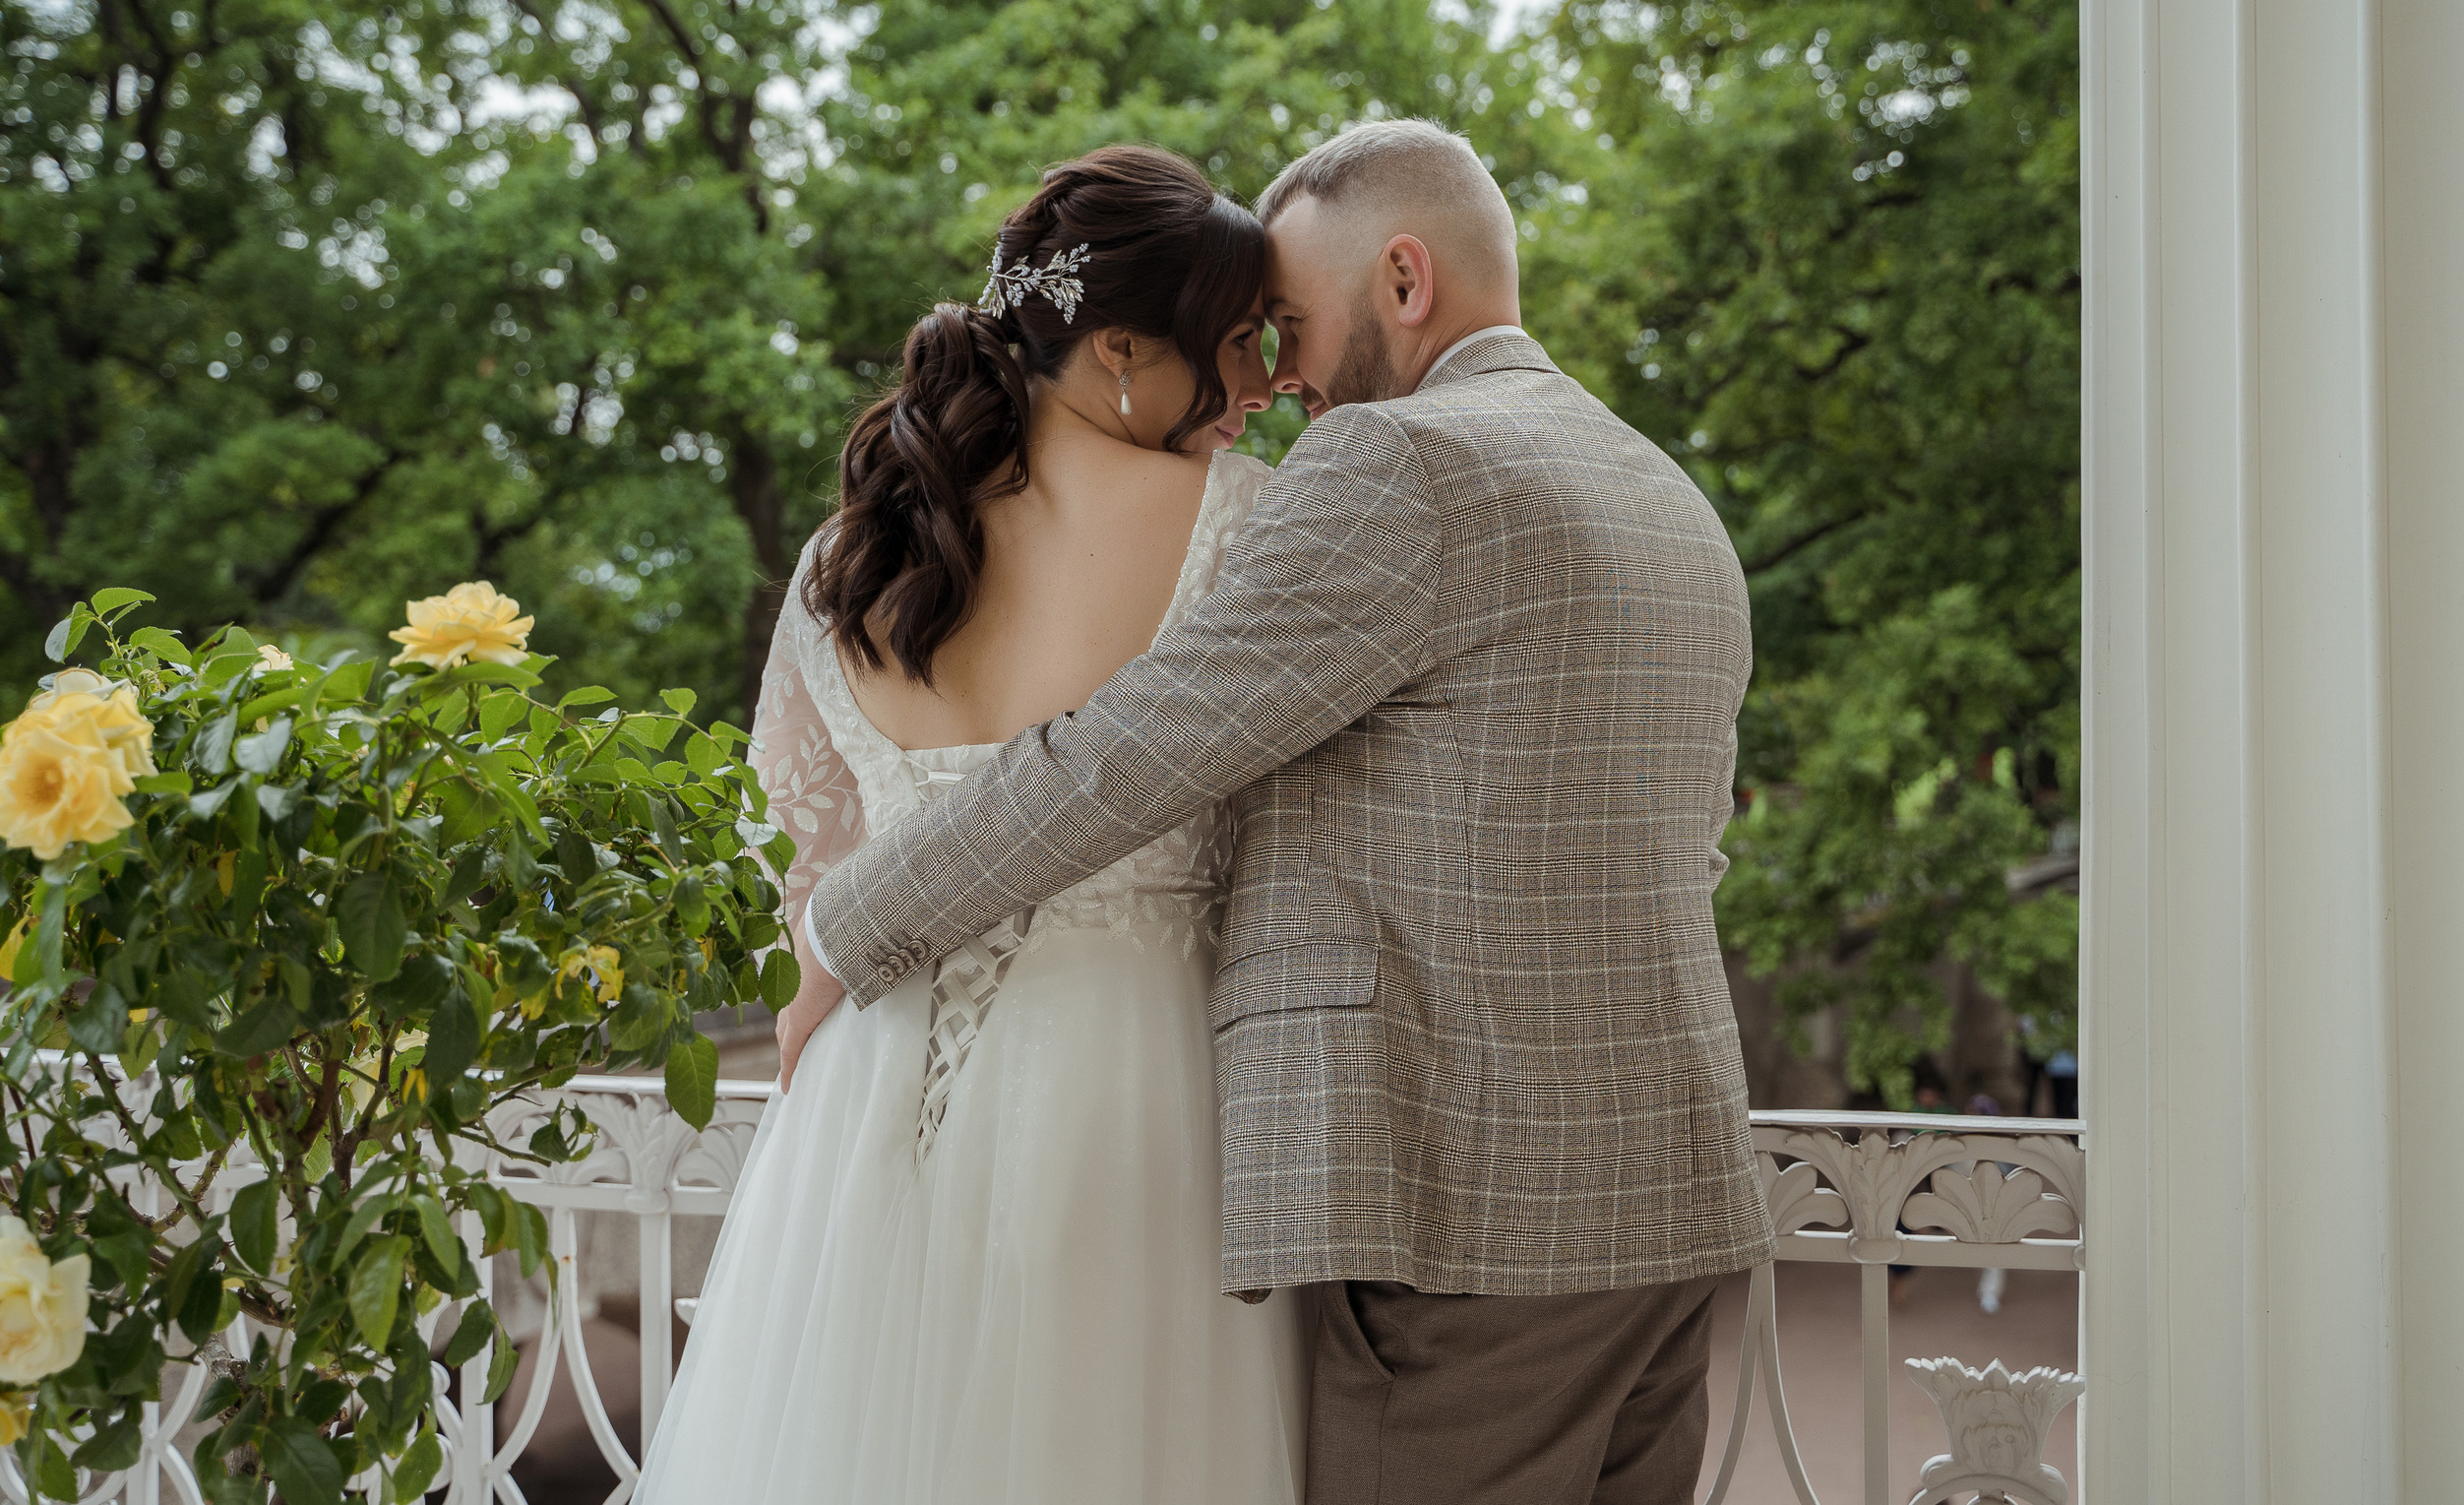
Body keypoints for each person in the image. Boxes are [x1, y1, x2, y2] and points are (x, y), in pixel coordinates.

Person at [783, 119, 1774, 1505]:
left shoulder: (1401, 466)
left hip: (1473, 1230)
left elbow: (1130, 756)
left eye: (1290, 325)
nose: (1280, 375)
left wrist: (843, 931)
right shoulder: (1665, 494)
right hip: (1668, 1206)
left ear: (1405, 280)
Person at [630, 147, 1304, 1504]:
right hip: (1137, 1092)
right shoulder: (1247, 522)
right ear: (1122, 347)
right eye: (1240, 341)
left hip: (862, 1086)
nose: (1265, 382)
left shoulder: (847, 557)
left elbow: (796, 865)